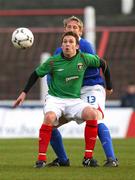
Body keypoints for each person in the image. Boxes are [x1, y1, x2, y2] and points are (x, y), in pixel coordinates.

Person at [13, 31, 112, 168]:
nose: (67, 44)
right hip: (55, 99)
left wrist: (109, 86)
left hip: (74, 100)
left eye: (71, 42)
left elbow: (103, 64)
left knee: (93, 114)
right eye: (65, 42)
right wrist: (24, 93)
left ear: (77, 46)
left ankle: (88, 158)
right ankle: (41, 159)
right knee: (49, 117)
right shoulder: (53, 61)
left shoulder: (84, 58)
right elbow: (35, 74)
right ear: (62, 45)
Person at [47, 16, 118, 167]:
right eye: (69, 27)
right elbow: (52, 72)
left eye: (75, 27)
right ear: (64, 29)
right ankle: (63, 160)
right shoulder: (59, 50)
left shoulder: (85, 46)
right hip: (72, 95)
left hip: (91, 88)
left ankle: (111, 159)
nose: (71, 30)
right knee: (50, 125)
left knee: (96, 119)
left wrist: (109, 86)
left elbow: (99, 66)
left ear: (80, 31)